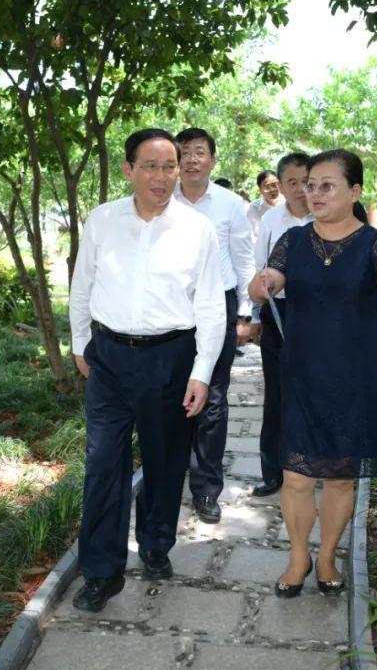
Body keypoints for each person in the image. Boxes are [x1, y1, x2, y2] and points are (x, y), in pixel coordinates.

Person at [249, 149, 377, 598]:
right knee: (296, 475)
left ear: (355, 191)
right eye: (311, 185)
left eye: (327, 185)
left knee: (341, 476)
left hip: (354, 377)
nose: (315, 193)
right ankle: (298, 557)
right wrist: (262, 284)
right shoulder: (293, 240)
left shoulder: (374, 242)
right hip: (301, 374)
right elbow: (271, 276)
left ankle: (327, 555)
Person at [69, 128, 226, 612]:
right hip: (110, 358)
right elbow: (82, 285)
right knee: (102, 465)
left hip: (170, 358)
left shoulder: (196, 228)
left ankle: (156, 543)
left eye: (170, 166)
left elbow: (211, 306)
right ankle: (101, 572)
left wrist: (201, 372)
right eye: (151, 166)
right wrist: (80, 344)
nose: (162, 176)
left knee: (165, 460)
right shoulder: (103, 220)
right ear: (129, 170)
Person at [174, 127, 256, 524]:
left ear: (212, 159)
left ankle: (206, 488)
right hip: (171, 307)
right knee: (172, 391)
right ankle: (169, 475)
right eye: (185, 152)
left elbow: (244, 260)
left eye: (199, 152)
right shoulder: (161, 197)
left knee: (213, 394)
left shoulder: (230, 204)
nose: (192, 159)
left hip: (219, 304)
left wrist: (245, 313)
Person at [248, 153, 311, 498]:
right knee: (277, 394)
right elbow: (261, 269)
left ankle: (317, 465)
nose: (301, 189)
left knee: (316, 390)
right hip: (279, 311)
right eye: (292, 182)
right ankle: (273, 472)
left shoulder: (328, 214)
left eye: (307, 181)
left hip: (319, 315)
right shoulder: (272, 219)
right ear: (281, 187)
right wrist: (257, 316)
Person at [246, 170, 283, 242]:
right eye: (267, 187)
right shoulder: (254, 207)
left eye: (274, 185)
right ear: (260, 190)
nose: (272, 190)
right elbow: (251, 233)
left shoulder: (289, 202)